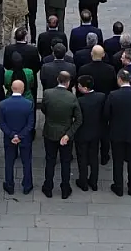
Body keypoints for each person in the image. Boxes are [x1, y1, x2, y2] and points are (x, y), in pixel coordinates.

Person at [104, 69, 131, 197]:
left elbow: (106, 114)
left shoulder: (113, 95)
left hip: (117, 133)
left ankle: (118, 186)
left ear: (119, 79)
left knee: (118, 161)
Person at [41, 71, 81, 199]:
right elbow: (79, 119)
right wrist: (69, 134)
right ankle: (65, 188)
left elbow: (43, 109)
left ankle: (48, 187)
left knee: (50, 160)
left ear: (57, 79)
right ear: (68, 83)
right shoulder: (72, 97)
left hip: (50, 132)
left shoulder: (47, 93)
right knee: (65, 162)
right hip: (65, 135)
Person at [0, 79, 35, 194]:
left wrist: (11, 135)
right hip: (25, 138)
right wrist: (20, 136)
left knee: (9, 162)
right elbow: (30, 124)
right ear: (23, 89)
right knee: (26, 161)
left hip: (9, 138)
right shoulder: (28, 104)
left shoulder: (3, 104)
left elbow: (1, 122)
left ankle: (9, 185)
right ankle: (27, 185)